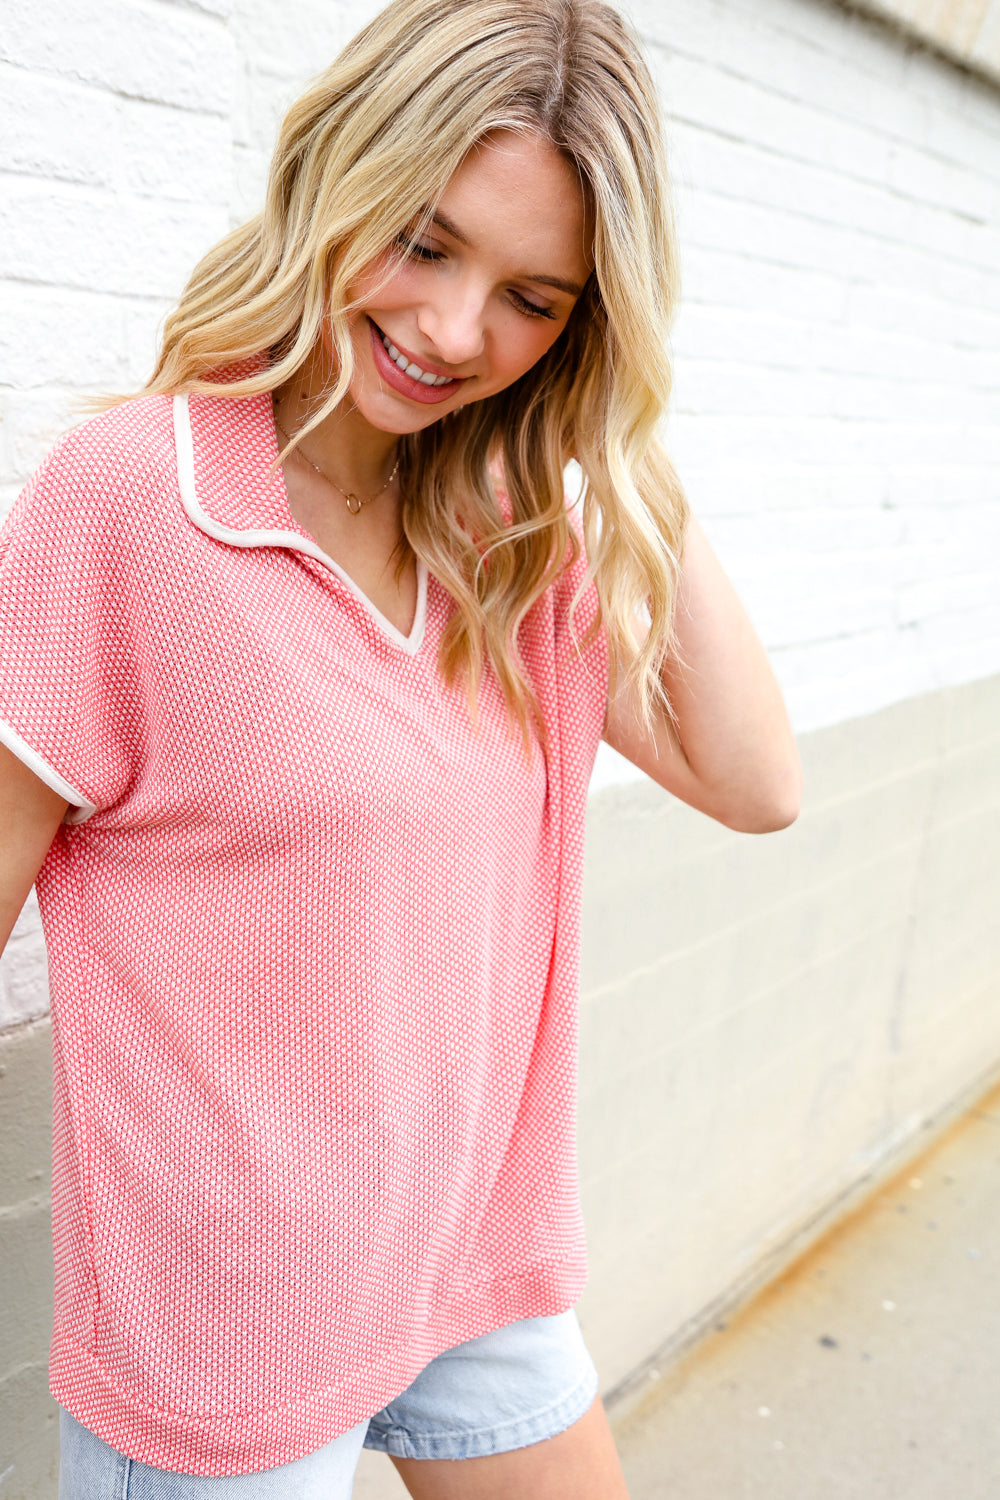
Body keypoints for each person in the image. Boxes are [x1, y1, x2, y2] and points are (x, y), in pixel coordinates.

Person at [0, 0, 802, 1494]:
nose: (453, 331)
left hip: (467, 1249)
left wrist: (619, 444)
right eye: (426, 244)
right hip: (230, 1321)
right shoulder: (132, 501)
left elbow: (757, 784)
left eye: (534, 300)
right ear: (337, 177)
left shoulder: (508, 543)